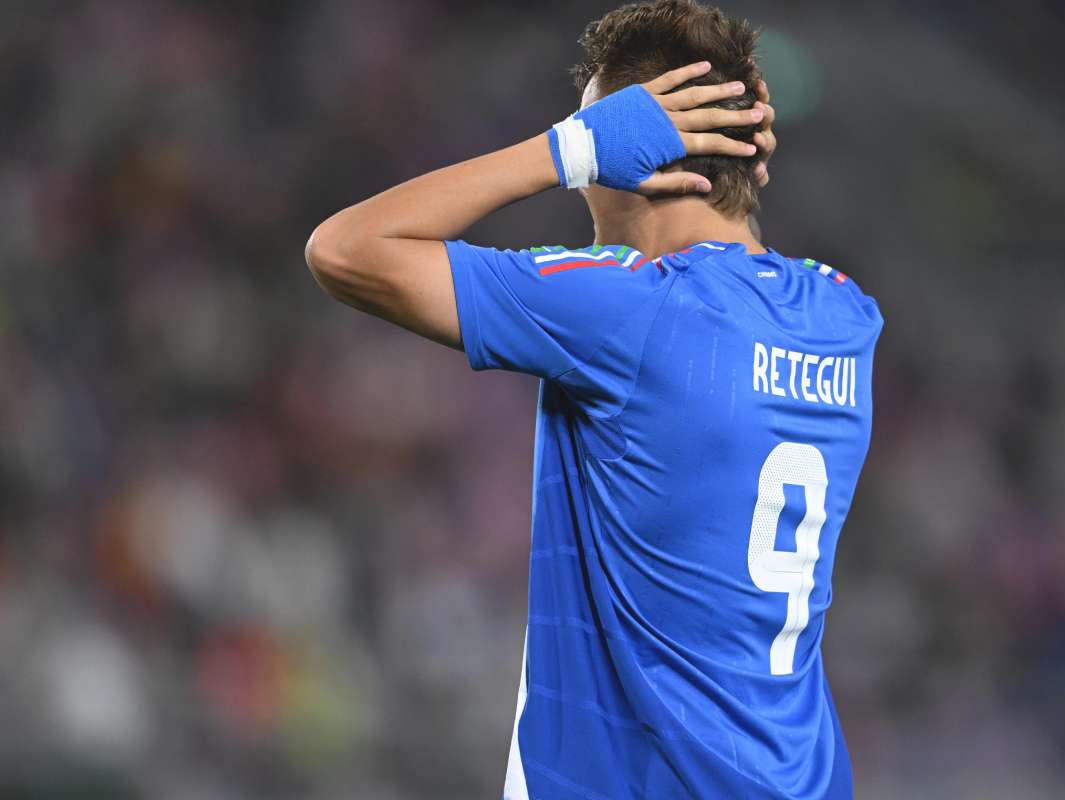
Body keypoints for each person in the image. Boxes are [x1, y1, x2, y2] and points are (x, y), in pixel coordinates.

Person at [306, 1, 882, 796]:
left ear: (637, 153)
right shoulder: (845, 317)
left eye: (609, 140)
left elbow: (345, 251)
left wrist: (568, 149)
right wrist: (738, 172)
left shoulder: (628, 309)